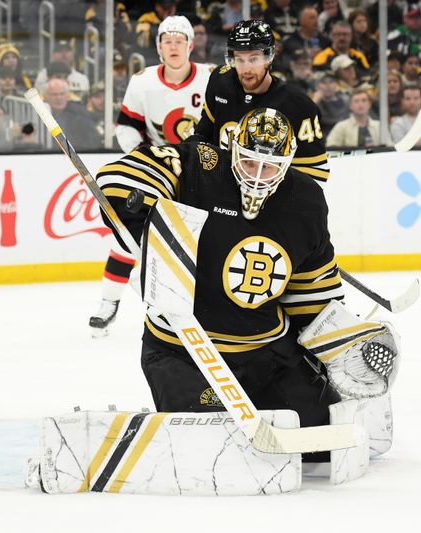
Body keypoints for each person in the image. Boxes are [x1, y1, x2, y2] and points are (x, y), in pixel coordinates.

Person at [95, 107, 345, 451]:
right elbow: (120, 175)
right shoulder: (203, 162)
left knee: (324, 443)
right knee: (215, 451)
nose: (257, 176)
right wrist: (138, 208)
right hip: (182, 351)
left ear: (287, 164)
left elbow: (312, 295)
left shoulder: (306, 200)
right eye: (248, 162)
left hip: (268, 354)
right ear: (233, 151)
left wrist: (339, 346)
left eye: (269, 166)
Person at [88, 15, 212, 337]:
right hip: (156, 168)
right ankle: (108, 302)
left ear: (190, 45)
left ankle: (199, 306)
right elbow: (127, 126)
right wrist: (141, 153)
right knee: (130, 235)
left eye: (179, 40)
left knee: (204, 239)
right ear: (158, 47)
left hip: (201, 169)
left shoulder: (211, 78)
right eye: (167, 41)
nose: (173, 46)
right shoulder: (143, 81)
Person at [192, 20, 329, 183]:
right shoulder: (220, 80)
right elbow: (203, 134)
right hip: (218, 189)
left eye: (254, 59)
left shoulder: (299, 106)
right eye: (239, 59)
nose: (246, 69)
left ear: (269, 57)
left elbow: (314, 173)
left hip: (268, 197)